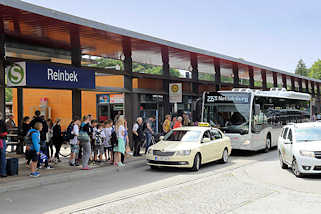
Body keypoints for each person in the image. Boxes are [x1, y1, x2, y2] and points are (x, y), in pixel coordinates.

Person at [0, 113, 8, 178]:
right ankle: (3, 172)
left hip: (2, 140)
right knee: (2, 157)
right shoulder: (3, 122)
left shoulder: (3, 122)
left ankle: (3, 172)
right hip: (2, 140)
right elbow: (6, 132)